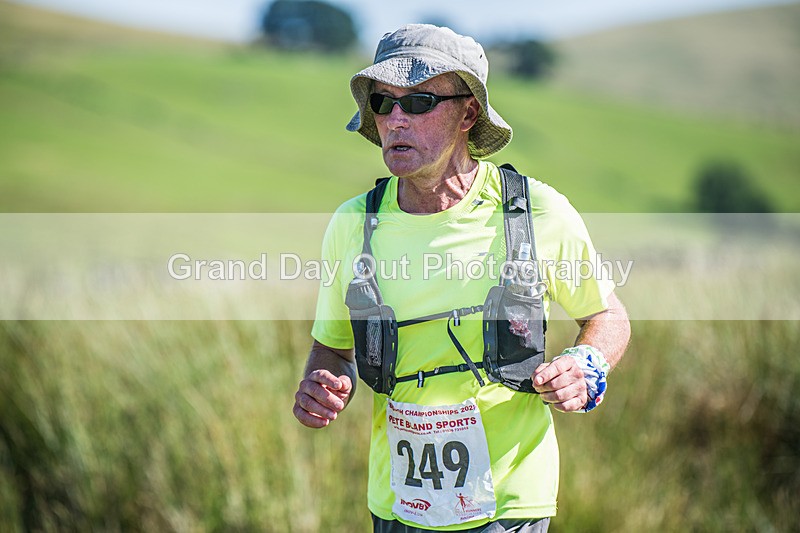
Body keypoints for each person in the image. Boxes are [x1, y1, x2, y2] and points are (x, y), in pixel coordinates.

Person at [292, 24, 631, 532]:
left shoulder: (535, 211)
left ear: (468, 112)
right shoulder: (353, 224)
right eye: (383, 103)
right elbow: (333, 348)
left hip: (510, 505)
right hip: (396, 506)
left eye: (420, 101)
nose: (396, 118)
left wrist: (587, 365)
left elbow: (607, 317)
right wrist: (325, 382)